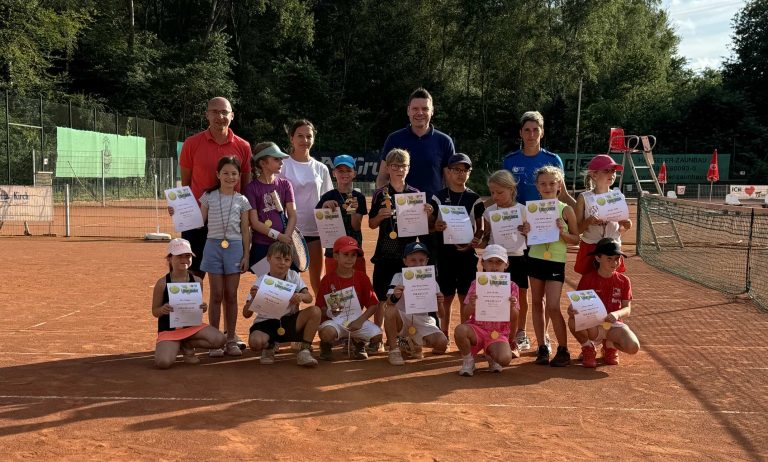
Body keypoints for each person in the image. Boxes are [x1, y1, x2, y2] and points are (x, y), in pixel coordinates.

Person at [178, 97, 251, 349]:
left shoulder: (243, 146)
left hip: (230, 227)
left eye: (225, 112)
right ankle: (188, 335)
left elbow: (246, 185)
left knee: (228, 291)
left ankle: (228, 336)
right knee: (192, 280)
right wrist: (179, 210)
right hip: (198, 223)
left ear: (232, 115)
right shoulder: (191, 144)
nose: (220, 117)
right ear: (207, 115)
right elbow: (185, 185)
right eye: (215, 112)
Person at [369, 148, 434, 351]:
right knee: (381, 297)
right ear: (388, 168)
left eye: (403, 166)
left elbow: (425, 225)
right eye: (395, 166)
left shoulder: (414, 194)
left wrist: (429, 213)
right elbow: (371, 223)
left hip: (407, 256)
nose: (399, 169)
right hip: (384, 253)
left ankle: (403, 337)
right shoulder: (381, 193)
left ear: (408, 168)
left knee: (407, 297)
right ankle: (377, 337)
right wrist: (380, 216)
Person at [197, 157, 251, 357]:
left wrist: (246, 254)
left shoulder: (242, 200)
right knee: (216, 295)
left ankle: (230, 340)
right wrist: (176, 212)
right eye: (226, 173)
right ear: (218, 175)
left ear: (239, 177)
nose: (230, 177)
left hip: (235, 248)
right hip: (212, 246)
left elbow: (246, 231)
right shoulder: (208, 196)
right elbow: (198, 221)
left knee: (231, 295)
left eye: (234, 174)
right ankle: (215, 341)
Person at [528, 166, 580, 367]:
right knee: (536, 303)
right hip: (535, 258)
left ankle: (563, 349)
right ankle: (542, 346)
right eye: (543, 183)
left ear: (559, 185)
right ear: (537, 186)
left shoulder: (566, 210)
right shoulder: (531, 209)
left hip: (555, 261)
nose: (547, 187)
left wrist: (562, 232)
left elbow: (576, 239)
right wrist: (525, 230)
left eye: (552, 183)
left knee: (552, 306)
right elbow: (527, 235)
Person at [429, 153, 485, 339]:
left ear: (469, 173)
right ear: (448, 172)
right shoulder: (438, 197)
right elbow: (430, 225)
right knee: (445, 297)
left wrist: (475, 240)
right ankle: (443, 333)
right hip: (444, 254)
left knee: (465, 297)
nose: (461, 174)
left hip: (466, 255)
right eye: (456, 170)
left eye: (465, 170)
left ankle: (465, 334)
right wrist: (435, 225)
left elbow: (481, 227)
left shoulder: (474, 198)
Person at [242, 241, 321, 367]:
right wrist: (253, 299)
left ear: (290, 263)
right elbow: (246, 314)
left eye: (287, 259)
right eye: (278, 258)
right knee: (255, 343)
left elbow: (309, 298)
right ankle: (270, 346)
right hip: (265, 323)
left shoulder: (293, 276)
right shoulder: (261, 280)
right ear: (268, 259)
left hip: (289, 321)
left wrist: (300, 296)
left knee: (315, 311)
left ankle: (304, 351)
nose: (282, 262)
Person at [151, 238, 226, 369]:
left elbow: (194, 308)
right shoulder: (162, 283)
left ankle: (188, 345)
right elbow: (155, 311)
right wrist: (162, 309)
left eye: (188, 256)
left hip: (191, 328)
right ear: (169, 259)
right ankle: (176, 345)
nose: (184, 260)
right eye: (179, 256)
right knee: (163, 363)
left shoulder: (197, 281)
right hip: (169, 330)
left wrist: (202, 307)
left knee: (220, 340)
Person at [279, 120, 333, 295]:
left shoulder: (321, 168)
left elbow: (329, 200)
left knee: (318, 281)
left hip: (316, 231)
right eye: (300, 136)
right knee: (287, 280)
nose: (305, 140)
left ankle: (322, 319)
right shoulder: (283, 165)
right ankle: (286, 320)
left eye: (309, 136)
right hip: (289, 232)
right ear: (291, 138)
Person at [567, 238, 640, 367]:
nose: (614, 262)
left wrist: (617, 314)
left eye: (617, 258)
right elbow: (577, 304)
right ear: (598, 258)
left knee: (633, 347)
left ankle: (609, 345)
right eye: (609, 259)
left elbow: (627, 309)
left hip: (613, 325)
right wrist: (572, 309)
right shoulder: (587, 279)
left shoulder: (624, 280)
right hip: (593, 326)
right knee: (572, 320)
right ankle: (588, 348)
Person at [480, 170, 530, 353]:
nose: (495, 196)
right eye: (492, 192)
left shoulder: (523, 210)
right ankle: (490, 334)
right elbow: (485, 238)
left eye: (500, 192)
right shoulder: (489, 212)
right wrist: (479, 241)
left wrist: (527, 231)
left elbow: (532, 237)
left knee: (519, 297)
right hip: (494, 261)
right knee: (492, 297)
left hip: (517, 258)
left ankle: (519, 333)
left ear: (511, 189)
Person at [376, 88, 455, 199]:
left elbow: (450, 182)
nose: (420, 113)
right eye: (415, 109)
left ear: (432, 111)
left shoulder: (445, 141)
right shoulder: (394, 139)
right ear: (408, 111)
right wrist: (388, 202)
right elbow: (382, 177)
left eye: (425, 109)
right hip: (400, 210)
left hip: (433, 211)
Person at [454, 245, 519, 376]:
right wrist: (472, 304)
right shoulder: (475, 284)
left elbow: (514, 317)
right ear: (482, 263)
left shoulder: (512, 287)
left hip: (498, 332)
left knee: (505, 359)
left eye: (499, 262)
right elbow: (466, 314)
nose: (494, 266)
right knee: (460, 330)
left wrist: (512, 306)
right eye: (490, 261)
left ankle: (491, 355)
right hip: (477, 329)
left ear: (506, 265)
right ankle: (468, 361)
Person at [316, 236, 383, 361]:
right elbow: (320, 307)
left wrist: (361, 320)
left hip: (356, 320)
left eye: (353, 255)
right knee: (326, 334)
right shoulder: (327, 279)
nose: (350, 258)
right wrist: (329, 312)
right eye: (345, 254)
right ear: (336, 256)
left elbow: (374, 304)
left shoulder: (362, 277)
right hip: (335, 322)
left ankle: (358, 342)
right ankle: (326, 345)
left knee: (378, 336)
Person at [384, 242, 448, 366]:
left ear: (427, 261)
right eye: (413, 260)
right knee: (390, 309)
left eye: (421, 260)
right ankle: (394, 350)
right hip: (402, 318)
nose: (418, 264)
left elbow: (441, 314)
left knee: (442, 344)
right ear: (405, 261)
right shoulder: (398, 277)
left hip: (422, 320)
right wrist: (395, 296)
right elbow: (388, 302)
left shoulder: (431, 282)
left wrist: (440, 303)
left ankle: (412, 342)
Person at [502, 111, 575, 207]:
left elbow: (562, 194)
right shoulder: (509, 161)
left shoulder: (554, 160)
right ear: (521, 133)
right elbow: (501, 194)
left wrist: (584, 212)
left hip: (546, 219)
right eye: (527, 130)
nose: (531, 135)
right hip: (519, 219)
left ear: (542, 133)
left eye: (535, 130)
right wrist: (477, 207)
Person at [574, 154, 632, 275]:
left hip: (612, 249)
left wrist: (626, 225)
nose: (612, 174)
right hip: (591, 248)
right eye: (606, 170)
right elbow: (577, 230)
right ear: (594, 175)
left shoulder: (618, 197)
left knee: (612, 286)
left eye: (613, 171)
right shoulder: (584, 198)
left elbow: (619, 230)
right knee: (590, 285)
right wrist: (589, 221)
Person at [244, 142, 296, 273]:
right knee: (265, 286)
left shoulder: (286, 184)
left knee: (284, 285)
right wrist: (279, 236)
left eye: (281, 159)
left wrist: (286, 237)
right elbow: (254, 223)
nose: (281, 163)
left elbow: (293, 215)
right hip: (261, 246)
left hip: (283, 245)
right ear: (263, 163)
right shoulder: (251, 188)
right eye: (276, 159)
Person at [317, 154, 369, 275]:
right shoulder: (327, 197)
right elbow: (321, 224)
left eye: (348, 170)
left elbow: (356, 227)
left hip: (353, 252)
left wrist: (353, 211)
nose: (344, 174)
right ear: (334, 173)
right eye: (340, 171)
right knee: (334, 288)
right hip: (333, 253)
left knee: (357, 286)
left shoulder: (359, 197)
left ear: (354, 173)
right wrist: (325, 207)